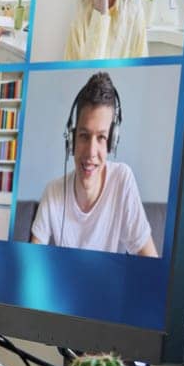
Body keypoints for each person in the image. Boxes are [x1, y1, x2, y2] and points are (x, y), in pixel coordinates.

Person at [30, 71, 157, 255]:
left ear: (112, 142)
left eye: (102, 137)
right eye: (84, 136)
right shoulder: (53, 192)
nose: (91, 152)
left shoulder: (122, 181)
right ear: (72, 139)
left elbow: (151, 264)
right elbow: (30, 263)